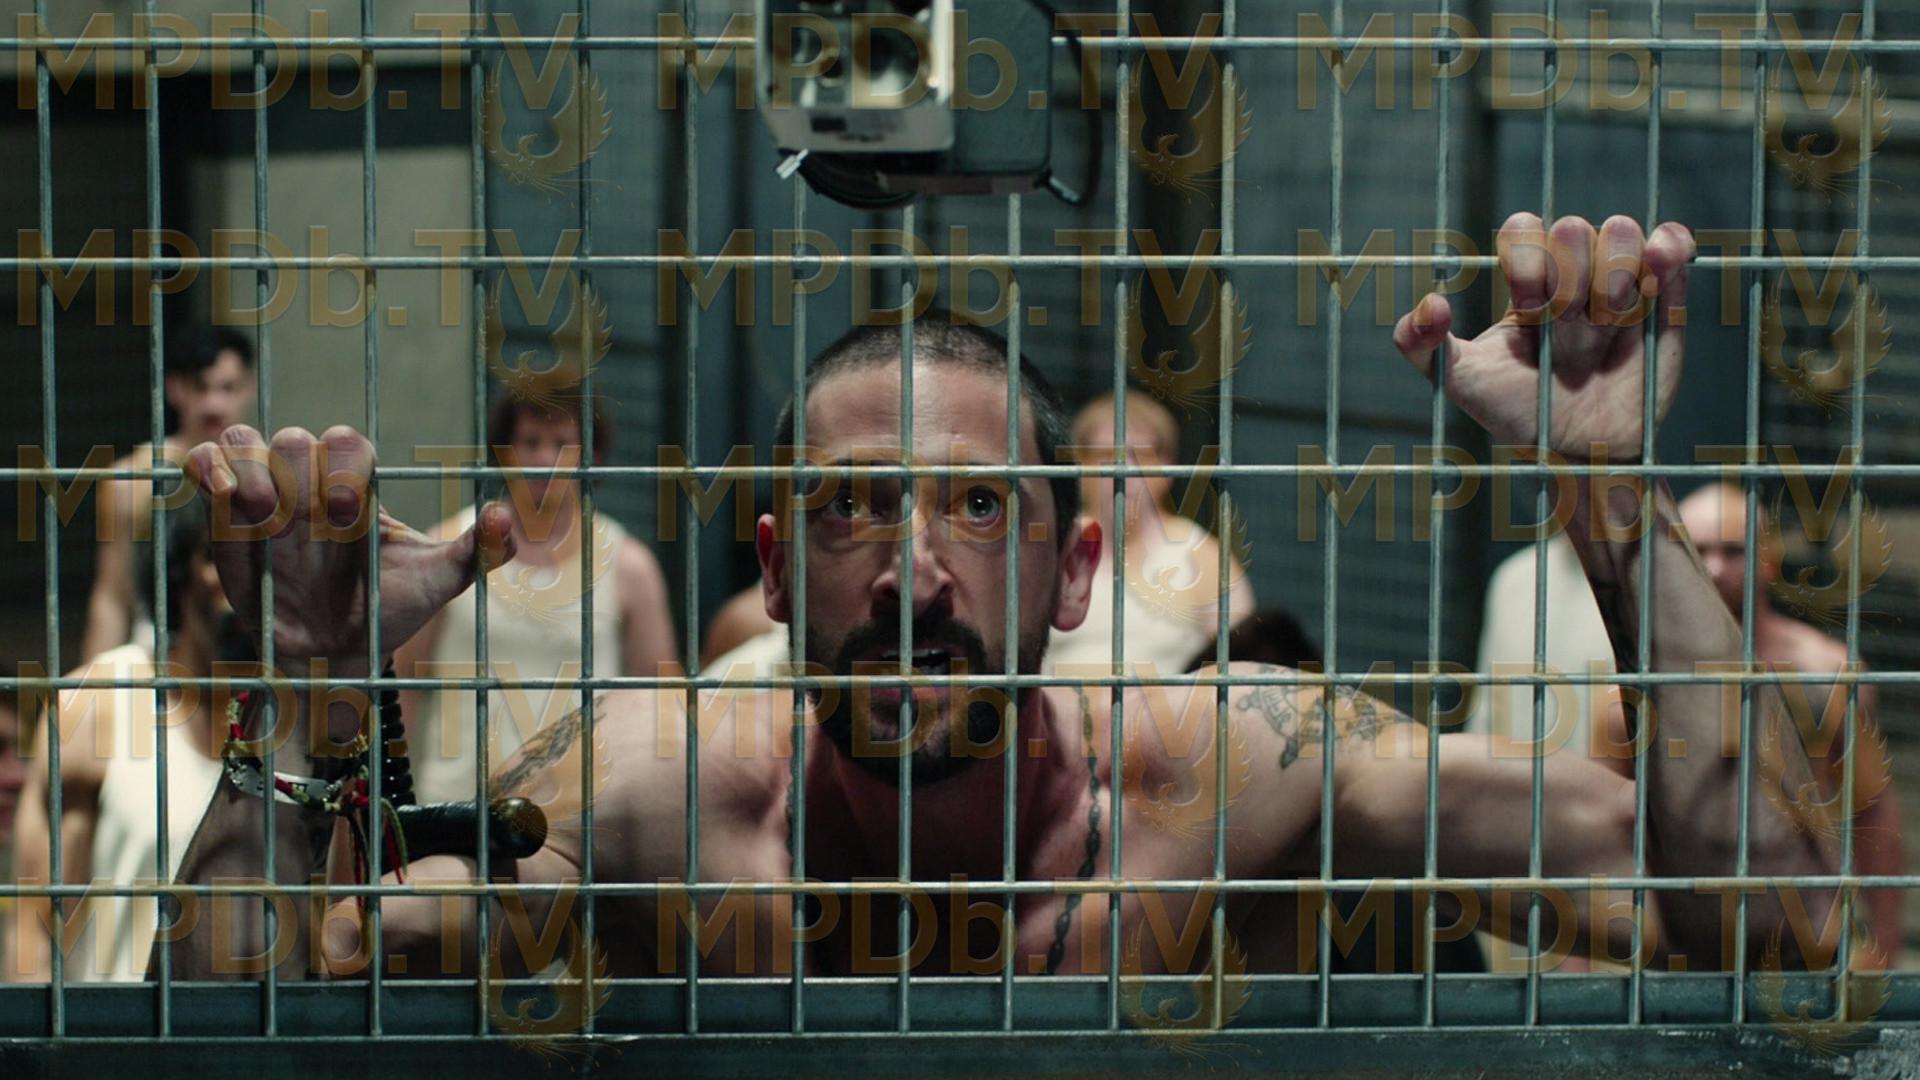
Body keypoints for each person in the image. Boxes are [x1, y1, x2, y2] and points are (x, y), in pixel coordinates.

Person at [169, 215, 1843, 985]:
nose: (913, 572)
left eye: (977, 507)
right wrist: (307, 689)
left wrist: (1609, 499)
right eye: (853, 511)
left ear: (1076, 569)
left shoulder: (1242, 774)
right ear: (776, 571)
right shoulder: (658, 800)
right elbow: (252, 988)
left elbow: (1764, 921)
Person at [1640, 482, 1902, 963]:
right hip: (1676, 936)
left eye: (1733, 551)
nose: (1714, 568)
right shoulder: (1642, 678)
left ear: (1768, 559)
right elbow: (1614, 819)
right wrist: (1581, 970)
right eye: (1697, 551)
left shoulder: (1828, 672)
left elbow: (1872, 813)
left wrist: (1884, 953)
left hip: (1804, 934)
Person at [392, 394, 678, 803]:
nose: (544, 458)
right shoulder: (449, 549)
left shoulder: (631, 568)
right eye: (530, 442)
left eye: (562, 444)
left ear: (591, 458)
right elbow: (401, 686)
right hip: (457, 808)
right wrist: (393, 802)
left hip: (586, 813)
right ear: (504, 453)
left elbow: (660, 704)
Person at [8, 500, 236, 982]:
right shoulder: (100, 699)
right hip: (118, 1022)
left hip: (270, 1024)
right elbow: (35, 932)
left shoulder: (305, 711)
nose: (248, 579)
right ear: (180, 571)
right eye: (223, 557)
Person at [1046, 391, 1255, 675]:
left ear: (1167, 468)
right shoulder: (1049, 550)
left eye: (1140, 455)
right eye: (1106, 455)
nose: (1122, 470)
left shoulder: (1203, 557)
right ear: (1079, 466)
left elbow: (1243, 669)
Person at [81, 325, 256, 662]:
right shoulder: (132, 479)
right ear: (175, 388)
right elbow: (112, 596)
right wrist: (93, 684)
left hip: (254, 654)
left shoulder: (268, 476)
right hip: (159, 653)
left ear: (248, 388)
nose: (214, 403)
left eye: (227, 387)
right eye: (200, 387)